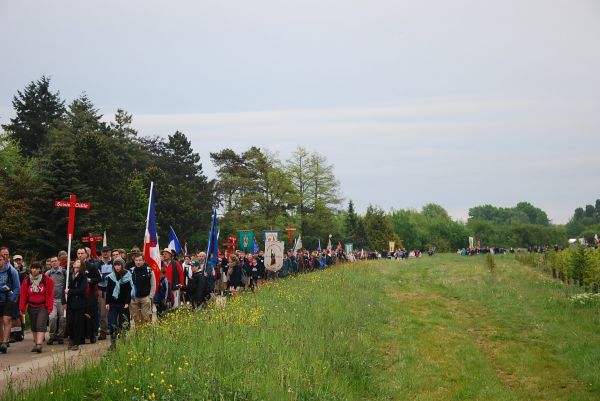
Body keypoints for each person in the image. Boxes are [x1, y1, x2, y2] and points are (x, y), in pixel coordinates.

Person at [19, 262, 54, 353]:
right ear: (30, 269)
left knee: (40, 325)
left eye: (37, 268)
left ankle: (39, 345)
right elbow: (23, 295)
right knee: (34, 326)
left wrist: (49, 307)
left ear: (40, 270)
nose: (34, 270)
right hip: (31, 306)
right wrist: (22, 308)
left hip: (43, 306)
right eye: (33, 268)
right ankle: (36, 343)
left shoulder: (46, 280)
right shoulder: (27, 280)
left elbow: (50, 294)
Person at [105, 258, 131, 349]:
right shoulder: (111, 276)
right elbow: (108, 290)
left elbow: (129, 290)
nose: (117, 267)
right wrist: (107, 302)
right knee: (112, 323)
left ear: (122, 265)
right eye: (115, 265)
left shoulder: (127, 276)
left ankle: (123, 341)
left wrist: (127, 302)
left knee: (122, 323)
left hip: (123, 303)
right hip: (113, 303)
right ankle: (113, 343)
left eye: (119, 265)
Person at [65, 259, 88, 351]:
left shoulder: (83, 276)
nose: (76, 263)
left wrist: (70, 291)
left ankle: (76, 342)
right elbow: (65, 288)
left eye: (78, 262)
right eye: (75, 262)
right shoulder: (69, 275)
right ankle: (71, 338)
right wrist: (64, 301)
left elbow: (82, 290)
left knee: (77, 323)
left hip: (79, 303)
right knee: (70, 322)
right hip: (70, 303)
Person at [0, 252, 20, 354]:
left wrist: (12, 298)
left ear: (4, 260)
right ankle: (2, 340)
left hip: (9, 298)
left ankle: (4, 342)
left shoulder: (11, 271)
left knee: (6, 319)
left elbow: (17, 286)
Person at [129, 254, 156, 326]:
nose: (138, 262)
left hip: (145, 297)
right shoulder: (130, 271)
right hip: (134, 298)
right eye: (136, 260)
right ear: (134, 261)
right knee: (136, 318)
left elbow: (153, 284)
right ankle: (139, 334)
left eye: (140, 260)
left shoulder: (149, 271)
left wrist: (150, 296)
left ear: (143, 261)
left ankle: (146, 334)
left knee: (146, 318)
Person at [46, 256, 67, 345]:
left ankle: (60, 336)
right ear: (50, 263)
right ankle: (52, 336)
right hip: (52, 300)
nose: (54, 263)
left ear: (59, 262)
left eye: (55, 261)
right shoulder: (48, 273)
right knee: (52, 317)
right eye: (52, 261)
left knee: (63, 318)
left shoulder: (64, 272)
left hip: (62, 300)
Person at [96, 246, 113, 340]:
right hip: (102, 290)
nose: (105, 253)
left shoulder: (114, 262)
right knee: (103, 313)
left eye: (107, 251)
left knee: (114, 311)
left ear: (110, 252)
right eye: (104, 251)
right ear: (101, 253)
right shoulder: (97, 264)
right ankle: (103, 331)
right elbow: (98, 277)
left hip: (114, 290)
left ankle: (116, 330)